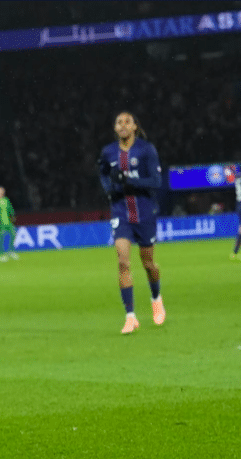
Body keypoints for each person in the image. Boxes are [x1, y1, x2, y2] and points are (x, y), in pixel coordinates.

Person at [98, 111, 166, 334]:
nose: (123, 125)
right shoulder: (108, 152)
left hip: (145, 212)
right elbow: (102, 171)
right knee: (123, 261)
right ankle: (130, 316)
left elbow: (155, 181)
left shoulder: (146, 150)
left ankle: (156, 298)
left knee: (148, 264)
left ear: (135, 126)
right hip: (121, 213)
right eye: (119, 122)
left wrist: (128, 180)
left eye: (127, 121)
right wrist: (109, 188)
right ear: (115, 128)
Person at [0, 186, 18, 261]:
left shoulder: (6, 200)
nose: (1, 193)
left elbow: (10, 209)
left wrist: (13, 215)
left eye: (2, 191)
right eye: (0, 191)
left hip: (8, 222)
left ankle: (11, 251)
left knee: (13, 234)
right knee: (0, 238)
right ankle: (1, 254)